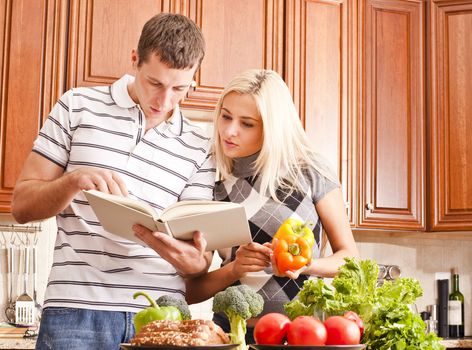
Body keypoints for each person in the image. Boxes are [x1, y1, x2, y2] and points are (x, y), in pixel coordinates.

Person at [11, 13, 215, 349]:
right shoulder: (76, 107)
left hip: (162, 318)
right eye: (155, 83)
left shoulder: (200, 146)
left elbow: (198, 264)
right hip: (75, 309)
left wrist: (178, 253)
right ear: (135, 59)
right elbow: (21, 206)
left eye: (180, 88)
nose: (164, 102)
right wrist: (74, 180)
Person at [138, 68, 359, 343]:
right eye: (226, 116)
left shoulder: (311, 172)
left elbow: (350, 258)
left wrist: (307, 265)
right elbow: (190, 290)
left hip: (304, 336)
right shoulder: (209, 179)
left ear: (271, 126)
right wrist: (235, 269)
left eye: (247, 123)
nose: (230, 131)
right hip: (233, 336)